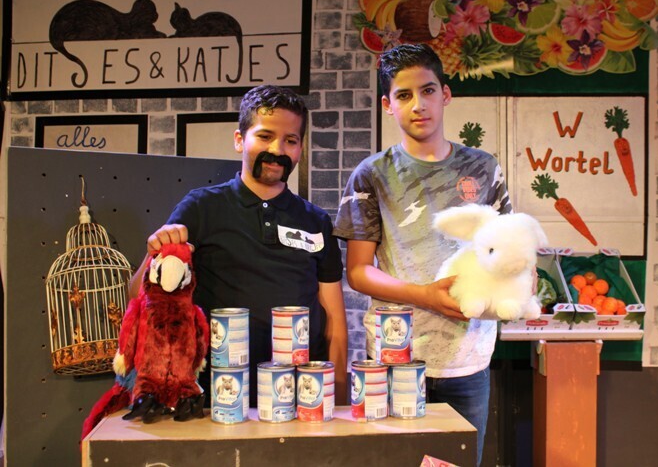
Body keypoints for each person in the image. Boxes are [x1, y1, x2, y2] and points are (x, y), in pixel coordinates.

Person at [333, 43, 511, 466]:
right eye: (404, 95)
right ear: (387, 105)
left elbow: (505, 252)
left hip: (467, 360)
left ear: (445, 94)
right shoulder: (371, 175)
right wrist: (426, 296)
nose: (418, 105)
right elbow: (358, 272)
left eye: (428, 91)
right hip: (394, 357)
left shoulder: (484, 168)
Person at [130, 84, 348, 407]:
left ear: (301, 148)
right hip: (217, 396)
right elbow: (139, 294)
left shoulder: (316, 220)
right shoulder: (200, 207)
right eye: (265, 136)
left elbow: (335, 323)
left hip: (301, 397)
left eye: (290, 140)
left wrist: (338, 399)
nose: (277, 149)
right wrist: (156, 251)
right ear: (239, 140)